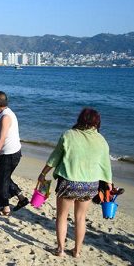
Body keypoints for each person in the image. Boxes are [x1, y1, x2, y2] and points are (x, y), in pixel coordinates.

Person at [37, 108, 113, 258]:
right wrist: (109, 182)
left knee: (62, 216)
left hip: (69, 183)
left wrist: (43, 173)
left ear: (80, 119)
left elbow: (55, 158)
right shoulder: (101, 140)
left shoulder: (68, 135)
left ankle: (60, 250)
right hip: (90, 185)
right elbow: (105, 164)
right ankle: (77, 251)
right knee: (80, 218)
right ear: (96, 123)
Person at [0, 91, 28, 216]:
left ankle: (5, 209)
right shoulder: (3, 114)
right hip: (10, 152)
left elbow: (1, 140)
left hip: (10, 154)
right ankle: (21, 198)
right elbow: (0, 135)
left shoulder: (6, 116)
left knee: (2, 181)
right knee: (4, 178)